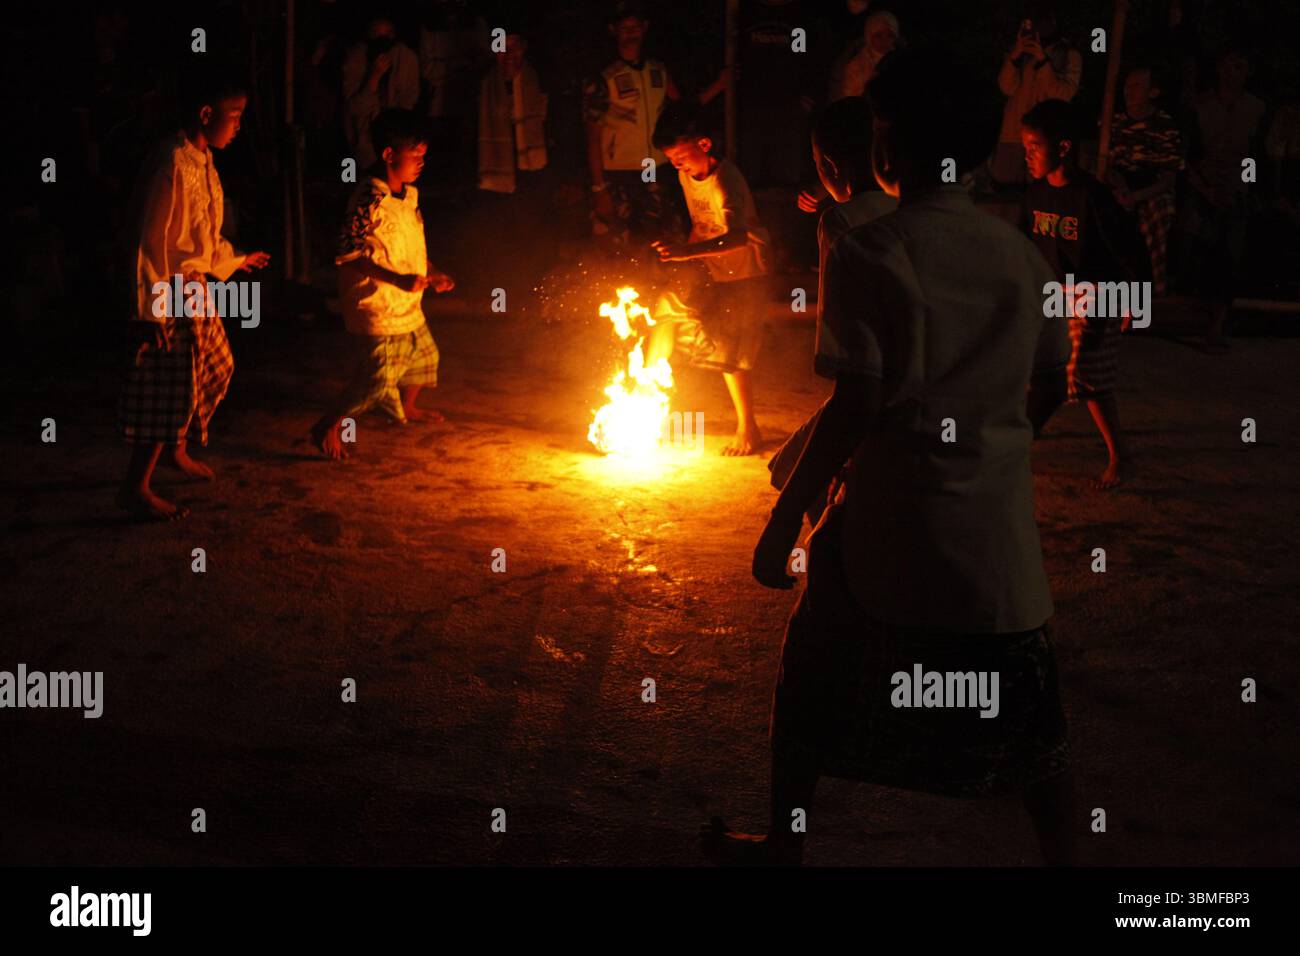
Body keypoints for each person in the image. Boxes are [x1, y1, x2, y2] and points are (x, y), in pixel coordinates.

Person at [705, 48, 1076, 867]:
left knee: (809, 685)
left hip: (886, 526)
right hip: (996, 542)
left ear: (887, 149)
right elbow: (1052, 383)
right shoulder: (1026, 257)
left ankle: (783, 844)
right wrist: (996, 445)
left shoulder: (873, 251)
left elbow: (857, 404)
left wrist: (785, 517)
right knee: (1030, 719)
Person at [118, 67, 270, 521]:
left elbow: (199, 235)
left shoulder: (203, 159)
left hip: (197, 291)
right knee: (170, 387)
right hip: (172, 294)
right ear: (206, 113)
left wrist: (233, 259)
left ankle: (175, 449)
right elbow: (148, 241)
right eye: (235, 115)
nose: (239, 124)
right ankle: (135, 487)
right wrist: (150, 311)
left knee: (215, 366)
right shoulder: (169, 162)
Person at [773, 96, 897, 509]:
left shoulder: (838, 222)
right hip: (935, 388)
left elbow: (843, 355)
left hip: (874, 388)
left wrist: (784, 517)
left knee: (798, 475)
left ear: (827, 166)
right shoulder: (913, 204)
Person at [1021, 98, 1149, 490]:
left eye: (1035, 147)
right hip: (1056, 292)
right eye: (1024, 147)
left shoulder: (1092, 196)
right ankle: (1025, 442)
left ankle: (1117, 455)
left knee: (1079, 373)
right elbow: (1027, 247)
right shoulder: (1037, 194)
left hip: (1098, 292)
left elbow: (1130, 247)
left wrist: (1135, 300)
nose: (1027, 155)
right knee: (1055, 373)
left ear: (1062, 147)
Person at [312, 110, 455, 460]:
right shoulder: (368, 197)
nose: (422, 162)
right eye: (415, 155)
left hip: (406, 301)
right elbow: (348, 253)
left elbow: (410, 246)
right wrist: (397, 280)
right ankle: (329, 424)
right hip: (374, 303)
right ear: (389, 155)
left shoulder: (409, 196)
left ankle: (407, 408)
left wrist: (432, 272)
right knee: (375, 380)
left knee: (425, 356)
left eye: (424, 154)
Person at [645, 105, 772, 457]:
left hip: (744, 271)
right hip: (708, 265)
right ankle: (646, 387)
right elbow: (702, 222)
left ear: (704, 144)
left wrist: (684, 254)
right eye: (671, 159)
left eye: (681, 156)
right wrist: (684, 250)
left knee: (731, 350)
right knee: (666, 306)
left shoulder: (725, 182)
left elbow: (738, 238)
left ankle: (749, 427)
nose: (677, 165)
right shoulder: (689, 174)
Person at [582, 0, 727, 243]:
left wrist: (719, 86)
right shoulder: (604, 77)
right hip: (620, 173)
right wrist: (599, 188)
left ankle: (665, 281)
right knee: (621, 241)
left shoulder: (658, 70)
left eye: (635, 27)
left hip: (655, 168)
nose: (631, 33)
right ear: (613, 30)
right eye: (624, 28)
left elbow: (685, 108)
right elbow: (592, 136)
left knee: (662, 236)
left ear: (645, 28)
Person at [1179, 47, 1265, 351]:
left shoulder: (1255, 108)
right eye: (1227, 66)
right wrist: (1204, 187)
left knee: (1231, 252)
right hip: (1202, 185)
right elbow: (1186, 154)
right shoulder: (1201, 105)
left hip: (1236, 190)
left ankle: (1217, 324)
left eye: (1239, 66)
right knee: (1197, 245)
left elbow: (1256, 155)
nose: (1232, 73)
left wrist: (1243, 187)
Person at [1106, 64, 1184, 296]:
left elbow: (1168, 179)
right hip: (1120, 182)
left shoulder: (1164, 126)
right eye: (1128, 85)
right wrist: (1121, 189)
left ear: (1153, 92)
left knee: (1160, 214)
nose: (1129, 91)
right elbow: (1108, 164)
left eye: (1137, 86)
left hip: (1150, 186)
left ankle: (1154, 286)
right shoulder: (1115, 120)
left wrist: (1136, 196)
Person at [991, 14, 1082, 189]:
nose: (1037, 27)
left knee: (1041, 192)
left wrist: (1042, 61)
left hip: (1045, 139)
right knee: (1004, 189)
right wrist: (1014, 56)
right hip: (1012, 134)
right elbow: (1006, 87)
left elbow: (1062, 95)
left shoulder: (1068, 55)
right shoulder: (1020, 52)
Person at [342, 17, 421, 169]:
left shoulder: (405, 58)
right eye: (376, 35)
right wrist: (374, 76)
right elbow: (354, 108)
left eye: (388, 35)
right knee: (353, 176)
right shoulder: (355, 58)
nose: (383, 41)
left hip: (395, 134)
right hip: (361, 135)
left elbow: (408, 100)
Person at [477, 30, 547, 194]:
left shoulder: (538, 82)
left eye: (515, 46)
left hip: (533, 178)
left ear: (524, 47)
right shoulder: (484, 87)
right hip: (493, 184)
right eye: (502, 46)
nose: (509, 54)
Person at [827, 10, 900, 102]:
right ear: (869, 37)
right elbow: (850, 101)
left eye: (890, 35)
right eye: (879, 35)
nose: (885, 40)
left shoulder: (903, 59)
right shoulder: (856, 67)